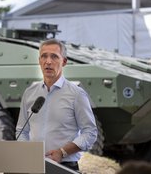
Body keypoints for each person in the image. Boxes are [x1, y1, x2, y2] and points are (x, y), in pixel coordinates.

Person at [15, 39, 98, 171]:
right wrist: (28, 153)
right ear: (39, 61)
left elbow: (90, 133)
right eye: (44, 56)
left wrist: (62, 152)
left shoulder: (76, 94)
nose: (48, 61)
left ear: (64, 61)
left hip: (64, 167)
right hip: (33, 167)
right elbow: (21, 131)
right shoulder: (30, 92)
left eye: (54, 56)